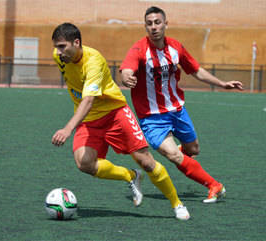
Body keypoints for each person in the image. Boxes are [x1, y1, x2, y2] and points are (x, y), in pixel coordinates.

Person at [51, 22, 190, 220]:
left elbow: (89, 100)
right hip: (89, 120)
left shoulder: (93, 61)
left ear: (76, 42)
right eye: (56, 46)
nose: (58, 51)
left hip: (115, 113)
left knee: (146, 161)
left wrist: (67, 129)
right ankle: (131, 176)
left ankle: (177, 204)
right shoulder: (59, 58)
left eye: (62, 46)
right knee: (85, 164)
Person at [120, 6, 243, 204]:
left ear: (165, 24)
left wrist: (222, 83)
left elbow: (195, 70)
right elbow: (127, 68)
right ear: (145, 26)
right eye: (149, 24)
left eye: (157, 22)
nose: (153, 27)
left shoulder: (176, 47)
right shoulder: (139, 49)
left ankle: (181, 157)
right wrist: (127, 77)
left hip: (177, 111)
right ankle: (214, 185)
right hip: (151, 118)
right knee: (174, 155)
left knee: (193, 150)